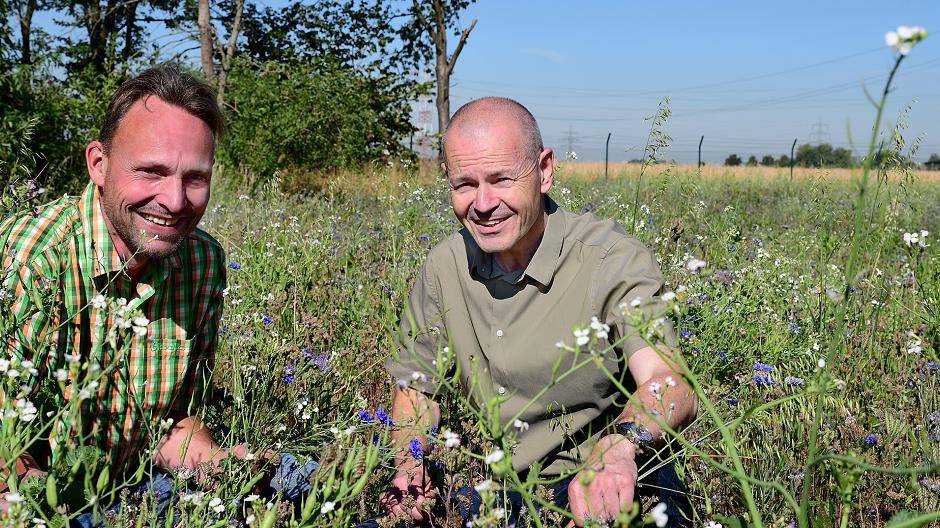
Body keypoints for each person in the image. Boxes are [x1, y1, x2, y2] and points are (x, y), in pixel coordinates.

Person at [0, 66, 315, 522]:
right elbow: (8, 453)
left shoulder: (201, 261)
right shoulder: (33, 261)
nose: (174, 200)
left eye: (195, 177)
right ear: (99, 164)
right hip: (41, 497)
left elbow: (172, 424)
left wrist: (221, 467)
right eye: (151, 171)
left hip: (136, 487)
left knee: (299, 479)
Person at [376, 97, 697, 527]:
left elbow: (669, 383)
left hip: (603, 478)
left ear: (544, 171)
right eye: (464, 184)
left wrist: (619, 447)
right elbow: (415, 389)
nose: (483, 203)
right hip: (498, 489)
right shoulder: (444, 267)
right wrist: (410, 465)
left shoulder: (610, 260)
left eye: (501, 179)